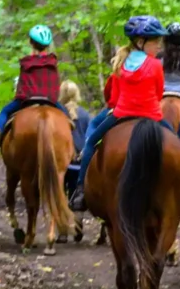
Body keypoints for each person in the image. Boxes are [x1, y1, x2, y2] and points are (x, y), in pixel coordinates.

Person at [68, 16, 173, 211]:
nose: (159, 45)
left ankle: (80, 190)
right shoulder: (155, 65)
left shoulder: (122, 63)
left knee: (91, 143)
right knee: (177, 145)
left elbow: (116, 94)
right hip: (152, 116)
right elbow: (159, 94)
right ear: (140, 42)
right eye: (154, 41)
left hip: (120, 115)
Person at [0, 25, 69, 155]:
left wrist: (19, 97)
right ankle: (75, 147)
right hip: (49, 100)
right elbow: (55, 84)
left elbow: (22, 85)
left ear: (31, 43)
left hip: (28, 99)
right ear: (47, 45)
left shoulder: (26, 63)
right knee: (67, 118)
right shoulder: (53, 62)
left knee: (5, 111)